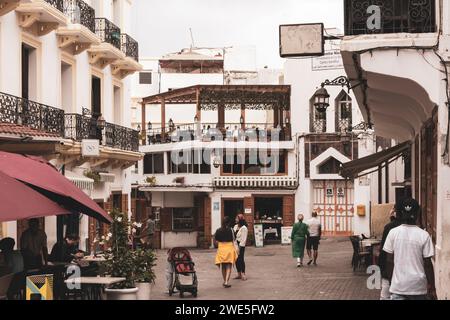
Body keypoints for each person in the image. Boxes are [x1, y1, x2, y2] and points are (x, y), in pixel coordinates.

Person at [383, 198, 436, 300]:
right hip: (418, 287)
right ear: (417, 214)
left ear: (401, 213)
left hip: (399, 287)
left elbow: (389, 261)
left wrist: (392, 282)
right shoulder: (424, 235)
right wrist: (432, 287)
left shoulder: (393, 233)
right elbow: (428, 264)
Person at [378, 204, 402, 300]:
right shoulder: (417, 228)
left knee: (386, 296)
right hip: (406, 274)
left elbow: (384, 251)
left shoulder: (389, 228)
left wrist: (382, 269)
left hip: (390, 271)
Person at [214, 217, 238, 288]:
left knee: (223, 266)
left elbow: (216, 240)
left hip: (221, 248)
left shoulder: (218, 230)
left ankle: (225, 281)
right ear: (229, 223)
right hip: (229, 247)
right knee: (229, 265)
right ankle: (227, 281)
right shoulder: (231, 230)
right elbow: (234, 239)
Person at [234, 214, 248, 281]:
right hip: (235, 244)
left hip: (241, 245)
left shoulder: (244, 228)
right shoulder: (235, 226)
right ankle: (239, 273)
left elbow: (243, 239)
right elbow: (233, 236)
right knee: (236, 260)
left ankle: (243, 273)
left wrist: (239, 248)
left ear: (240, 219)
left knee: (241, 259)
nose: (235, 219)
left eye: (237, 218)